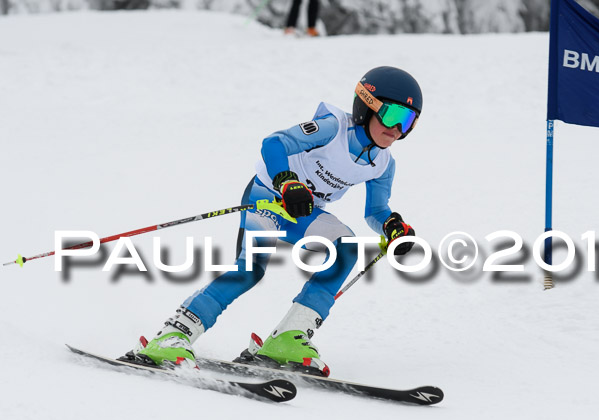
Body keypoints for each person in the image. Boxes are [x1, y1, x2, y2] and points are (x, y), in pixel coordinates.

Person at [123, 66, 423, 377]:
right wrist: (286, 181)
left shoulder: (383, 164)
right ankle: (173, 335)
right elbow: (274, 143)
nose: (398, 128)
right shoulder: (332, 128)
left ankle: (288, 338)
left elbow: (375, 211)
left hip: (304, 211)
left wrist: (392, 226)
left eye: (409, 121)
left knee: (346, 247)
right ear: (367, 105)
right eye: (392, 116)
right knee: (250, 271)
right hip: (268, 198)